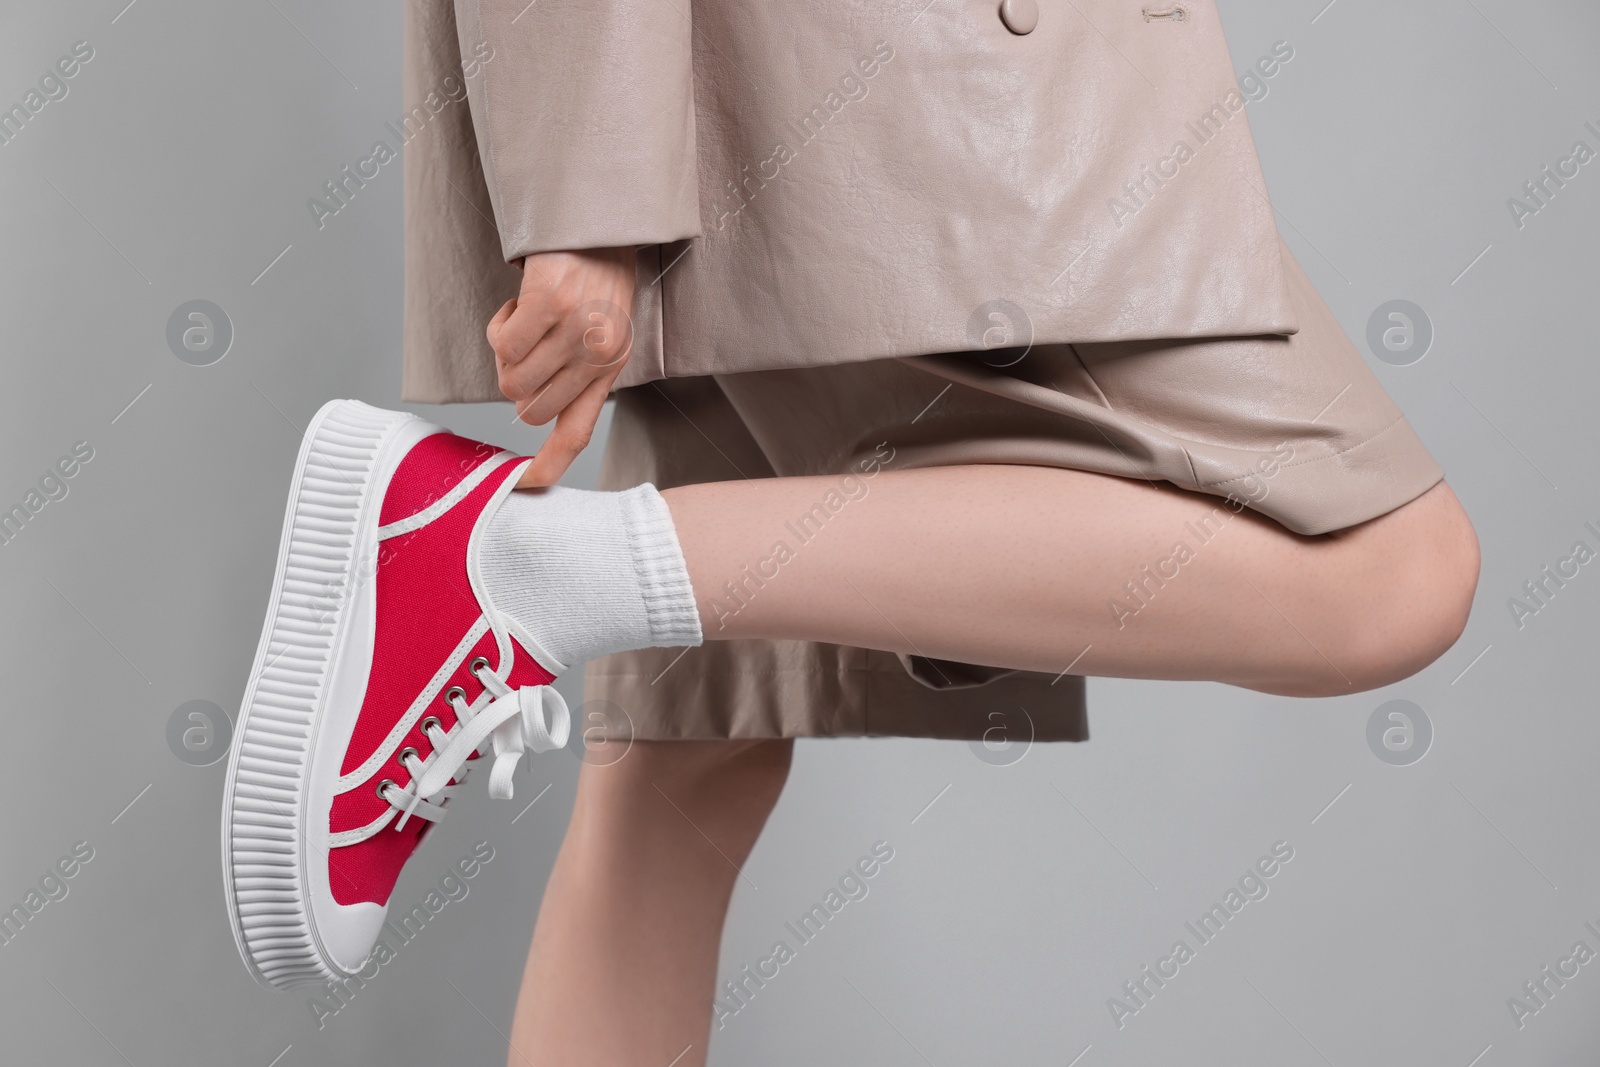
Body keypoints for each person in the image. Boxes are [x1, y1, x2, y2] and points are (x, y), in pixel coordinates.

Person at [221, 1, 1480, 1063]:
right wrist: (586, 199)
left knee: (689, 762)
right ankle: (520, 568)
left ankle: (535, 574)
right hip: (897, 64)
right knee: (1389, 571)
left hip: (748, 76)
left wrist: (597, 172)